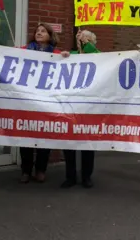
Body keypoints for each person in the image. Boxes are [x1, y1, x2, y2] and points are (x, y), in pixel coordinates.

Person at [19, 23, 70, 183]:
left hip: (46, 100)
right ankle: (26, 170)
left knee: (44, 135)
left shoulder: (56, 53)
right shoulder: (23, 50)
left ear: (50, 35)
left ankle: (41, 169)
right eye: (37, 31)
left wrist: (67, 57)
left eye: (43, 31)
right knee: (25, 136)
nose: (39, 33)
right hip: (27, 99)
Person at [61, 30, 98, 189]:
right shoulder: (72, 55)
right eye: (81, 38)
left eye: (88, 39)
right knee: (68, 143)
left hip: (89, 106)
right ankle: (70, 176)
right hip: (71, 105)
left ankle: (86, 176)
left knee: (87, 144)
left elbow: (95, 55)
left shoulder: (98, 56)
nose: (83, 41)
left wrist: (86, 44)